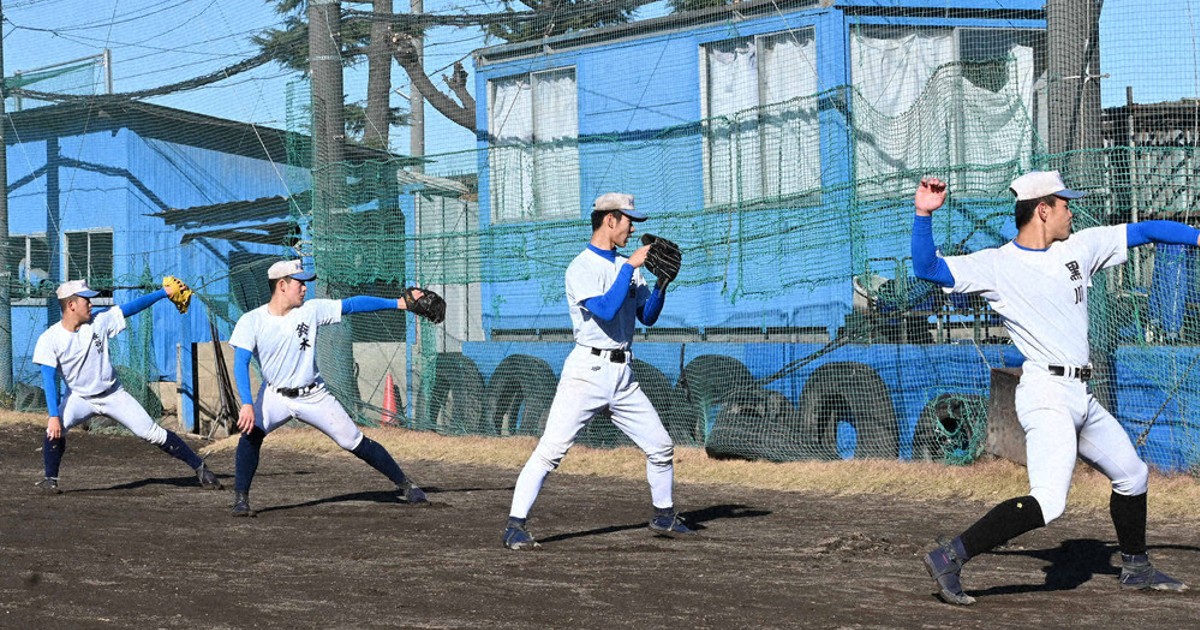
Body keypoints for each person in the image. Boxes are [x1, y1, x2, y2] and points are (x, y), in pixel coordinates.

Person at [911, 171, 1191, 604]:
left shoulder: (1080, 247)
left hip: (1081, 394)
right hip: (1046, 394)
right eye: (1064, 203)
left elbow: (1148, 230)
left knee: (1132, 475)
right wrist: (923, 215)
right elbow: (927, 267)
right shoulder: (999, 265)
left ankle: (1136, 566)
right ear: (1043, 209)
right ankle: (951, 556)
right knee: (1048, 502)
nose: (1071, 210)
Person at [502, 192, 694, 550]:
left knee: (661, 446)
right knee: (551, 451)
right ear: (610, 220)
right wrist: (629, 267)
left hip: (623, 376)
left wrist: (662, 286)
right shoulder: (581, 268)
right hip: (587, 372)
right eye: (628, 220)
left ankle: (664, 515)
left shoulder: (627, 265)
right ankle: (515, 525)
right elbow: (605, 310)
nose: (632, 228)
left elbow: (646, 317)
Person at [228, 259, 433, 517]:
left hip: (313, 394)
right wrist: (247, 403)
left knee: (354, 441)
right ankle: (241, 500)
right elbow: (241, 362)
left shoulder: (311, 310)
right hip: (275, 395)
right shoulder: (251, 321)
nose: (305, 288)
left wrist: (398, 303)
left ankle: (406, 485)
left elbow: (352, 305)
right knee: (251, 434)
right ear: (282, 285)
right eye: (300, 283)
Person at [33, 278, 222, 493]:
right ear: (71, 305)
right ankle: (50, 479)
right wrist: (54, 416)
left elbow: (130, 308)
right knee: (54, 430)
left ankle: (200, 468)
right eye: (87, 300)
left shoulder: (99, 321)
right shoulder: (50, 339)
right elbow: (48, 378)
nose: (92, 304)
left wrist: (164, 292)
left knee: (152, 432)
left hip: (113, 394)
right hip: (79, 398)